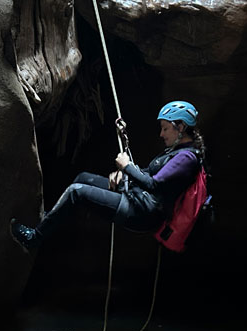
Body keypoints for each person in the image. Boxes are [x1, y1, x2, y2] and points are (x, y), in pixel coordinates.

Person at [11, 100, 206, 251]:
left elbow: (155, 185)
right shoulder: (176, 151)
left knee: (76, 192)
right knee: (83, 178)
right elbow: (149, 173)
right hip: (138, 197)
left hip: (143, 212)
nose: (161, 134)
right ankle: (50, 223)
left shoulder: (186, 158)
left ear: (180, 127)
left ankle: (33, 239)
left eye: (165, 128)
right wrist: (124, 175)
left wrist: (127, 167)